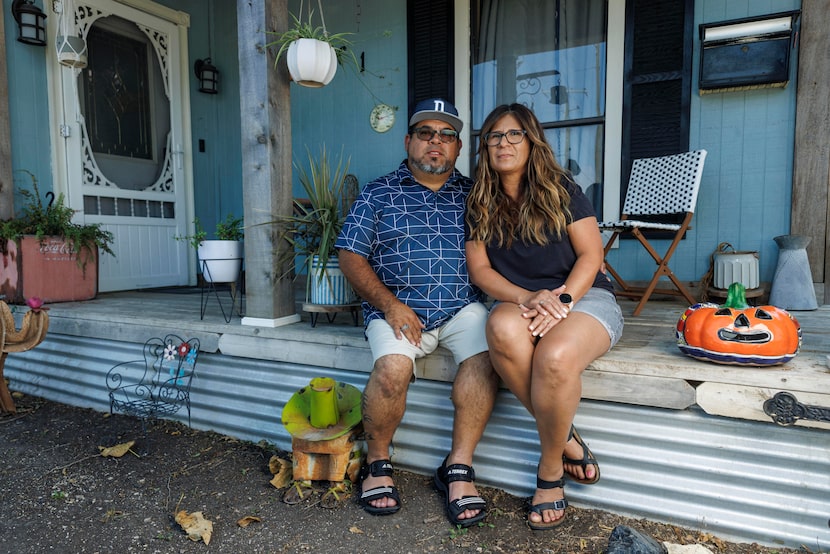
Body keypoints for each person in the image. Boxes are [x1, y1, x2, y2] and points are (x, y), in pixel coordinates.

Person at [336, 98, 500, 527]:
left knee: (487, 360)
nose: (436, 143)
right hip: (396, 311)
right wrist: (389, 305)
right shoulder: (378, 192)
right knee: (392, 370)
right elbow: (350, 256)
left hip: (461, 309)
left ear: (458, 148)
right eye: (426, 133)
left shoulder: (473, 195)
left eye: (447, 136)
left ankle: (458, 468)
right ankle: (377, 463)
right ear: (409, 141)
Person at [465, 103, 624, 531]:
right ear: (486, 147)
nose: (504, 143)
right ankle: (566, 436)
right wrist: (530, 297)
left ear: (532, 141)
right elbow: (480, 272)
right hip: (523, 301)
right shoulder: (479, 201)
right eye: (495, 136)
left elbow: (592, 256)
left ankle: (550, 468)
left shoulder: (562, 189)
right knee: (499, 326)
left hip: (583, 297)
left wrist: (563, 300)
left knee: (554, 358)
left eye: (514, 134)